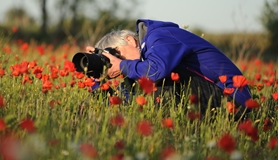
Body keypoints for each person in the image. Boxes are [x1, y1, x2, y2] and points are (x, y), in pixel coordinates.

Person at [92, 20, 253, 110]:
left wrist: (122, 66)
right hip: (214, 96)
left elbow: (156, 70)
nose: (118, 60)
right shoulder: (143, 60)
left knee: (158, 83)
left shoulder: (158, 37)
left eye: (117, 53)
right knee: (138, 93)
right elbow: (123, 99)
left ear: (130, 40)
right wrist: (95, 79)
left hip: (233, 98)